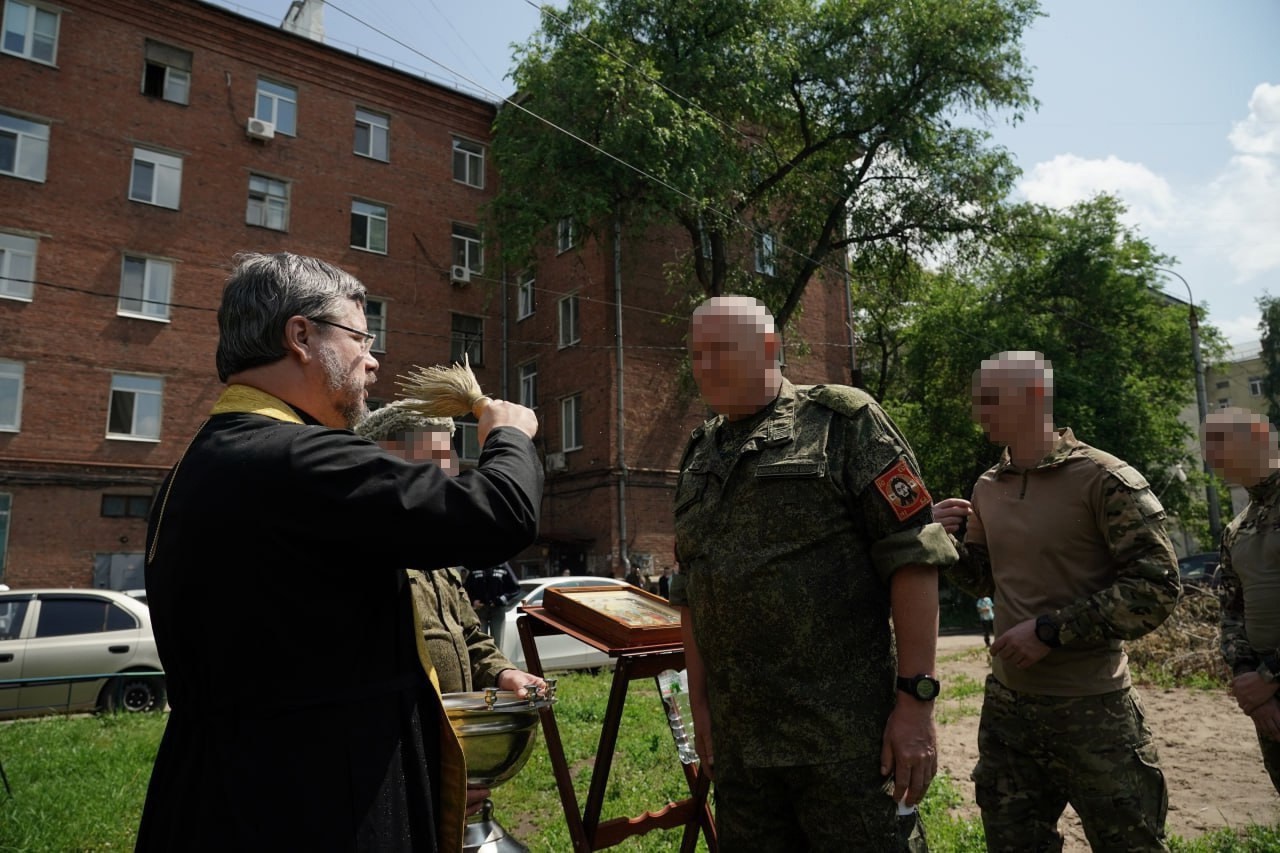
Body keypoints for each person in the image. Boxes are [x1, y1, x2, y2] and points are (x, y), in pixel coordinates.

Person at [137, 252, 542, 852]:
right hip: (316, 804)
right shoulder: (301, 458)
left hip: (215, 797)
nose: (372, 361)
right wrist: (508, 434)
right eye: (360, 338)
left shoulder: (197, 466)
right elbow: (498, 514)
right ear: (301, 336)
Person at [670, 295, 955, 851]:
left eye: (720, 349)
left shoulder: (840, 423)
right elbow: (692, 592)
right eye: (696, 354)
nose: (704, 366)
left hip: (845, 747)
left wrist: (915, 704)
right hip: (742, 754)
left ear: (768, 347)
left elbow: (914, 556)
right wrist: (700, 708)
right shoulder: (700, 452)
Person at [934, 351, 1180, 853]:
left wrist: (1051, 631)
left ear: (1032, 397)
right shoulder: (988, 486)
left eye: (988, 398)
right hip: (1008, 708)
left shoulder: (1103, 477)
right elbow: (984, 579)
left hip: (1093, 709)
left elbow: (1156, 586)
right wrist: (943, 543)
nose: (978, 411)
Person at [1203, 408, 1280, 793]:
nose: (1210, 454)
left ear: (1261, 435)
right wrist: (1249, 680)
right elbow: (1232, 614)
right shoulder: (1237, 527)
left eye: (1219, 441)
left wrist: (1269, 677)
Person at [464, 561, 521, 635]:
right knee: (480, 639)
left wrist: (501, 600)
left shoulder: (502, 564)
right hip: (480, 610)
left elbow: (515, 588)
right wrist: (473, 601)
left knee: (497, 640)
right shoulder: (476, 565)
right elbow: (466, 588)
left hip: (497, 609)